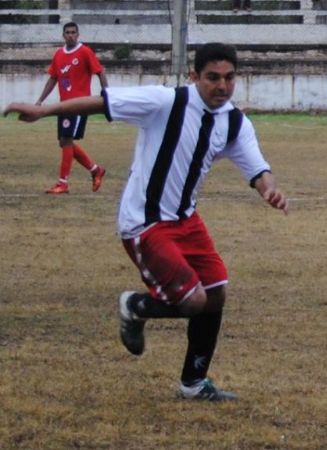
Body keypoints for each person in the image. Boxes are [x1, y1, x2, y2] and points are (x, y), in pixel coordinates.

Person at [5, 43, 288, 401]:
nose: (222, 86)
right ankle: (135, 306)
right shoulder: (165, 102)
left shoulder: (234, 122)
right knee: (194, 301)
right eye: (213, 78)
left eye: (229, 78)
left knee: (216, 293)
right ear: (194, 76)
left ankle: (194, 384)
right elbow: (101, 102)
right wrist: (44, 111)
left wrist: (270, 190)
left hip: (187, 221)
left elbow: (257, 167)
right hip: (145, 222)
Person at [36, 22, 108, 194]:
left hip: (80, 105)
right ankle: (95, 170)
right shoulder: (59, 54)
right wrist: (40, 100)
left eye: (73, 32)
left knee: (66, 140)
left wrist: (107, 94)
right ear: (63, 35)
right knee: (64, 142)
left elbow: (100, 71)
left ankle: (63, 183)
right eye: (67, 32)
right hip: (64, 106)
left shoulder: (84, 51)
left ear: (78, 35)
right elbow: (53, 78)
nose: (70, 35)